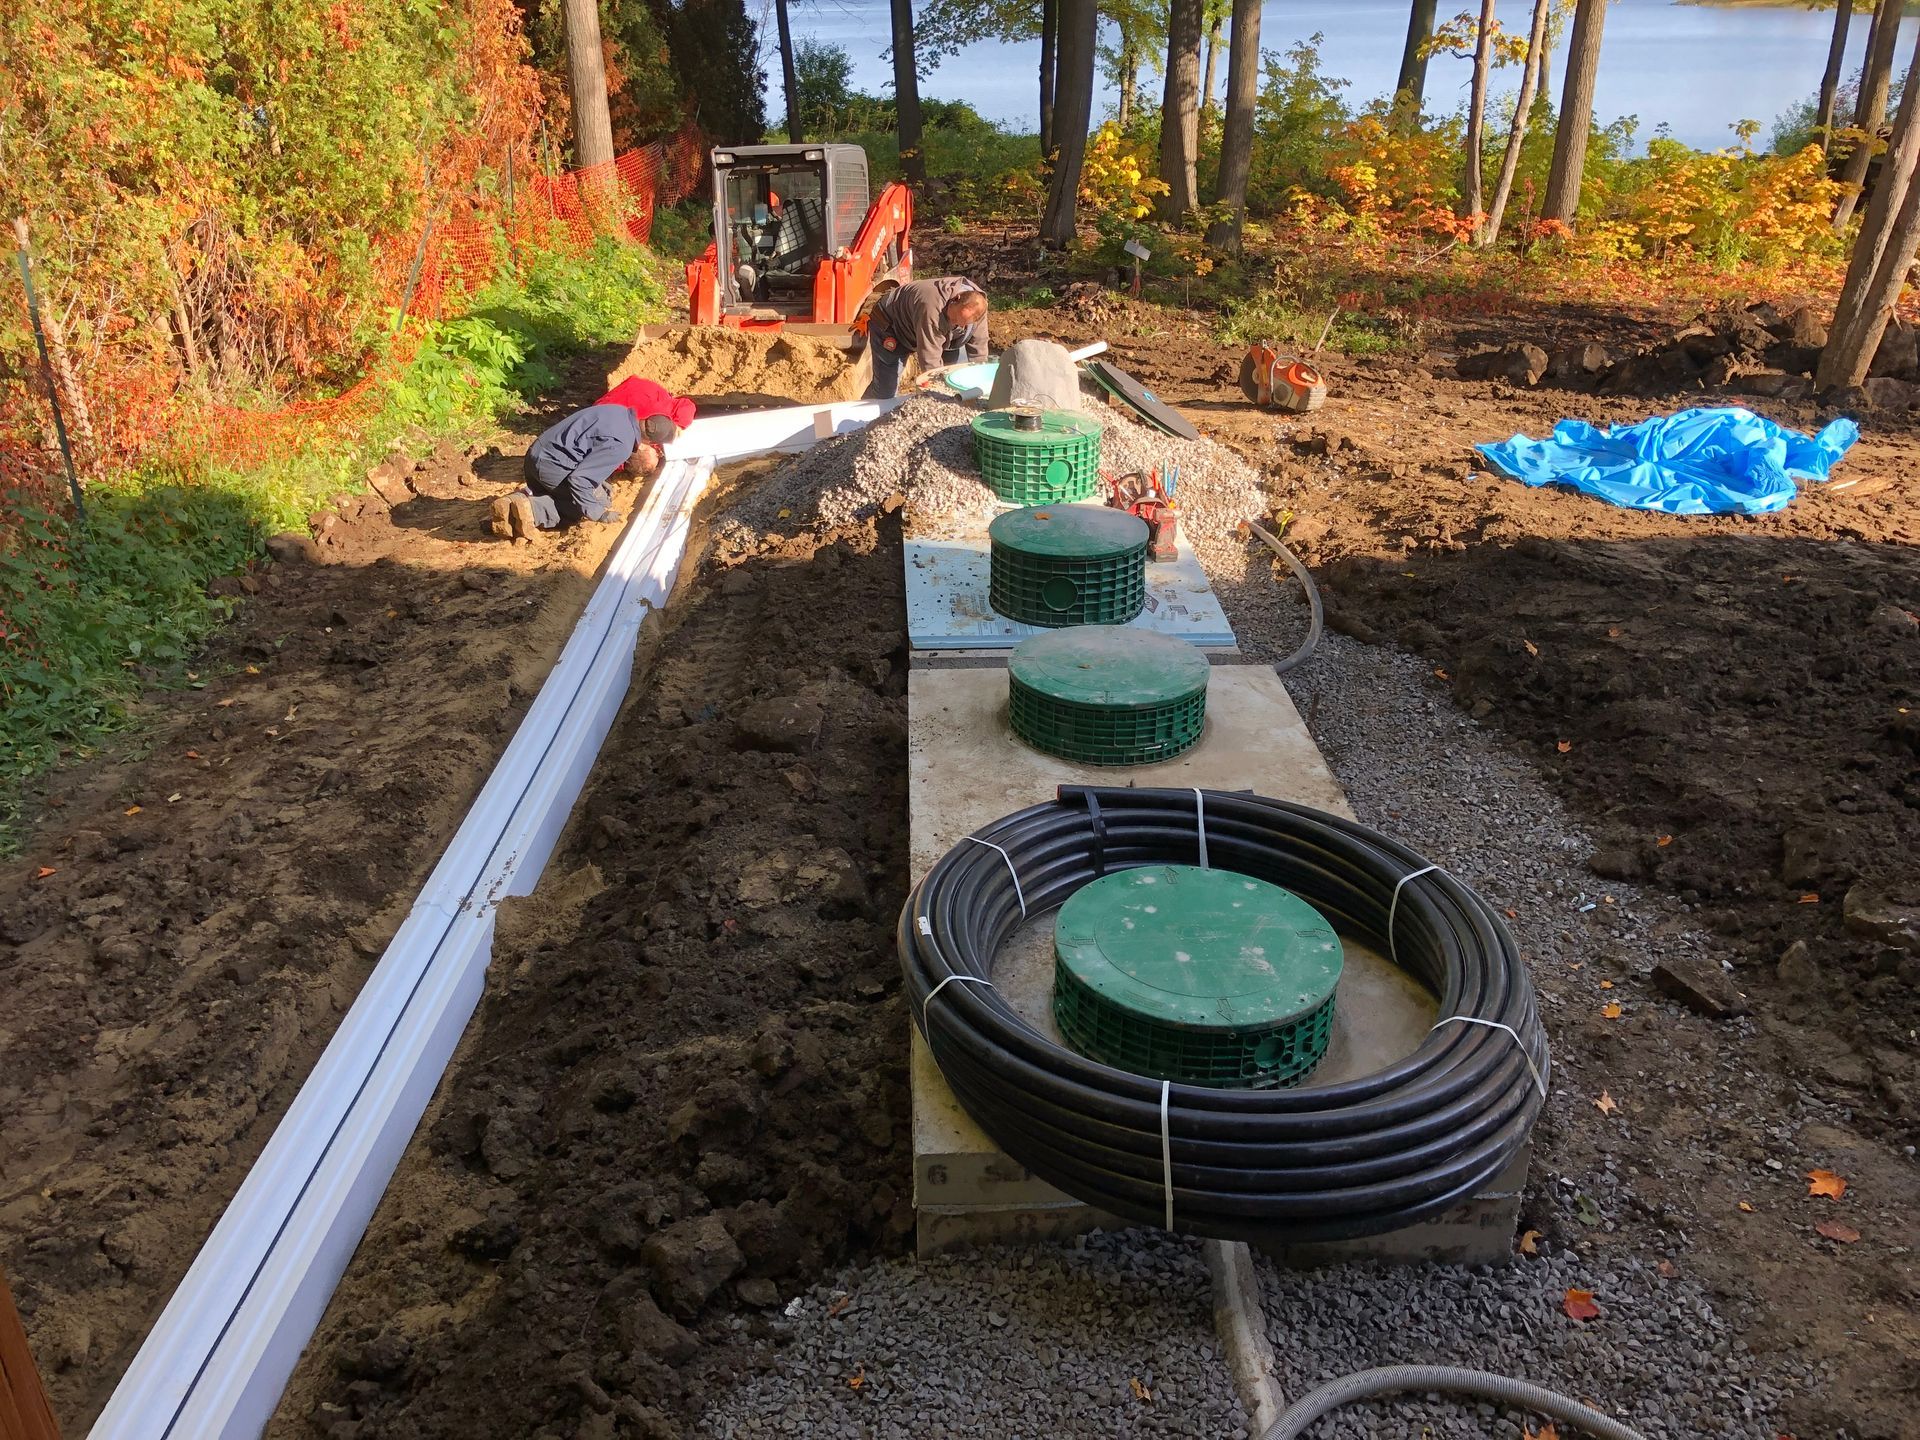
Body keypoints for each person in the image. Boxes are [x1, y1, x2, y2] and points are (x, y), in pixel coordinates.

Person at [492, 378, 696, 540]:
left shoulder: (617, 411)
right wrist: (598, 513)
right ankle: (532, 510)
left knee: (599, 489)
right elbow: (580, 480)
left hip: (535, 457)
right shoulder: (621, 445)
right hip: (550, 467)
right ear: (649, 441)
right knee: (586, 502)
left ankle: (515, 501)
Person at [862, 278, 989, 401]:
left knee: (951, 376)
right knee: (885, 391)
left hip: (937, 333)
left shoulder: (977, 305)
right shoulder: (931, 308)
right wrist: (940, 398)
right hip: (892, 327)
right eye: (955, 319)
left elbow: (979, 349)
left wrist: (983, 383)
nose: (958, 325)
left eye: (964, 324)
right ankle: (864, 414)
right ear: (955, 299)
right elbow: (930, 361)